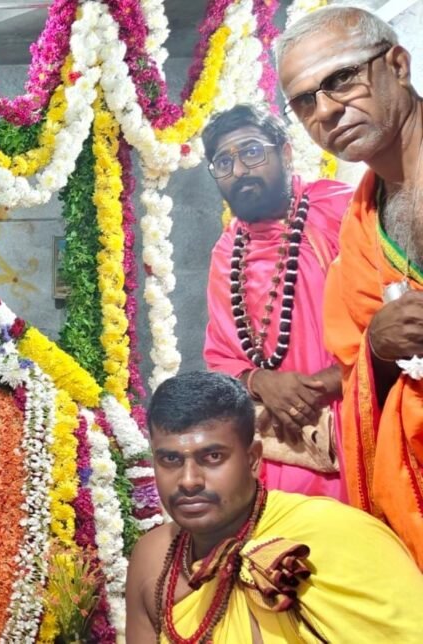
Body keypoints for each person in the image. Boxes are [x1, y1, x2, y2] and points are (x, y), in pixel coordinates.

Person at [277, 6, 423, 566]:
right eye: (304, 101)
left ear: (398, 65)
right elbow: (357, 364)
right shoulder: (362, 221)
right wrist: (379, 349)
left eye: (341, 79)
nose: (326, 110)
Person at [125, 371, 423, 643]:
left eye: (213, 457)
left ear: (253, 459)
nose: (189, 481)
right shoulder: (153, 559)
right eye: (171, 459)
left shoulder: (336, 534)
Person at [202, 104, 353, 500]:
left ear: (285, 153)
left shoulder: (341, 210)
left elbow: (391, 315)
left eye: (252, 152)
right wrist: (262, 381)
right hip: (279, 446)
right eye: (223, 162)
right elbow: (221, 359)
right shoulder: (226, 253)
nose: (239, 170)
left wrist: (324, 384)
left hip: (358, 423)